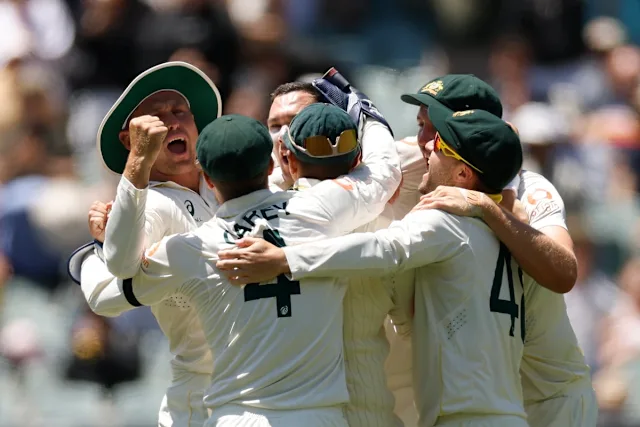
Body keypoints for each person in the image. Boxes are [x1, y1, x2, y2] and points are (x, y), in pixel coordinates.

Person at [217, 105, 530, 427]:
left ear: (288, 160)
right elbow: (407, 321)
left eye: (438, 145)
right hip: (477, 411)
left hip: (300, 410)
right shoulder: (510, 228)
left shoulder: (440, 222)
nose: (425, 147)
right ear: (357, 161)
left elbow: (386, 249)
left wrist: (285, 259)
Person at [99, 101, 403, 426]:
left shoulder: (193, 248)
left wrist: (94, 248)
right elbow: (383, 173)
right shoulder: (317, 207)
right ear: (271, 167)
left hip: (237, 417)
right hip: (320, 416)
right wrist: (366, 113)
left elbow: (117, 276)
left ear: (208, 179)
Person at [67, 61, 222, 427]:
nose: (172, 123)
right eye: (155, 117)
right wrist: (138, 161)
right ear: (129, 140)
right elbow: (122, 265)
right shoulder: (152, 203)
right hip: (203, 404)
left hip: (259, 388)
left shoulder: (231, 184)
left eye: (180, 111)